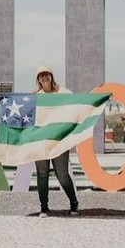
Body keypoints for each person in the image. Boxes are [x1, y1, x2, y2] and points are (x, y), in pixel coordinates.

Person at [33, 65, 79, 218]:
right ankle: (44, 208)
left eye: (47, 74)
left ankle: (73, 203)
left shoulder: (63, 93)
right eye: (41, 75)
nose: (44, 77)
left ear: (52, 76)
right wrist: (0, 99)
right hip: (41, 141)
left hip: (59, 141)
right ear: (38, 79)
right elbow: (18, 105)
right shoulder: (35, 96)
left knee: (62, 174)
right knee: (42, 174)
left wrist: (103, 97)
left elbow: (79, 103)